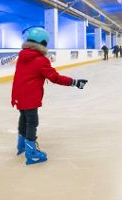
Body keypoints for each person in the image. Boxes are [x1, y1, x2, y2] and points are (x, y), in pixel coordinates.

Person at [11, 27, 88, 165]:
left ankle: (21, 146)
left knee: (23, 118)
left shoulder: (22, 55)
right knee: (32, 122)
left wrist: (15, 97)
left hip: (19, 95)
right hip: (30, 97)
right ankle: (31, 153)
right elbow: (55, 78)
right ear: (44, 43)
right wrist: (74, 82)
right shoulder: (41, 60)